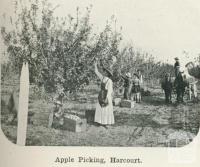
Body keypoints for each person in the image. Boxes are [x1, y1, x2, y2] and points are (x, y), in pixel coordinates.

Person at [94, 59, 114, 128]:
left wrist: (106, 98)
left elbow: (110, 90)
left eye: (105, 72)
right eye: (104, 71)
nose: (103, 72)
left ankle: (106, 122)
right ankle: (100, 121)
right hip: (101, 94)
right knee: (100, 107)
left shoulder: (109, 81)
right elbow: (96, 72)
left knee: (106, 108)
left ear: (107, 74)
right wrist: (95, 65)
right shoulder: (102, 78)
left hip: (106, 96)